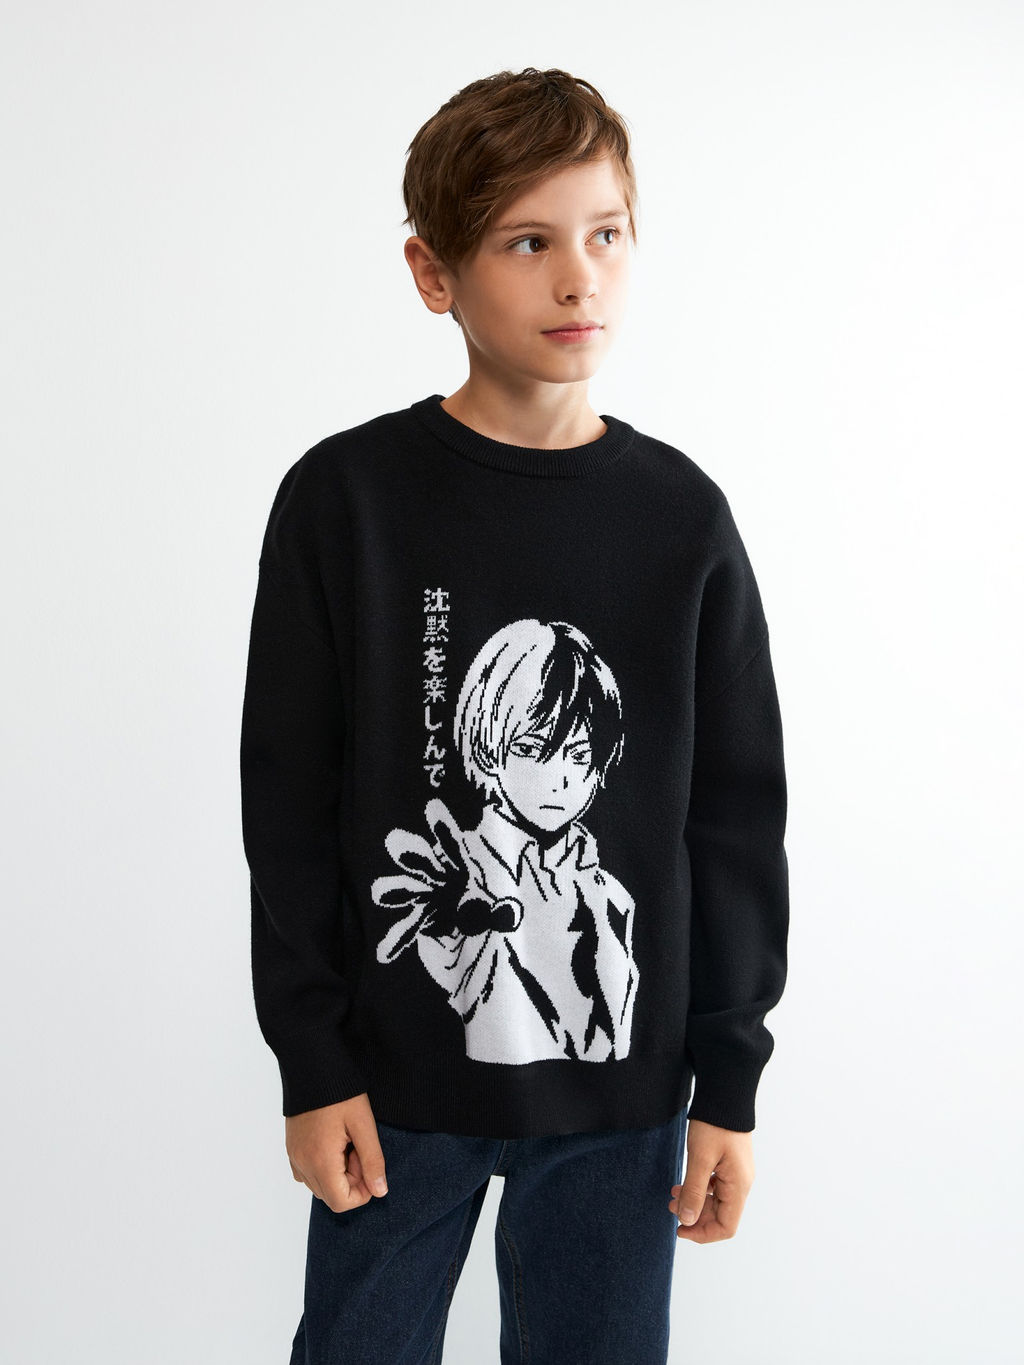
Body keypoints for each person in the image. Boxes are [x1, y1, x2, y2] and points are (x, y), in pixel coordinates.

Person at [239, 66, 790, 1365]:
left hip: (623, 1107)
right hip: (393, 1091)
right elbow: (289, 804)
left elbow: (734, 820)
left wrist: (730, 1080)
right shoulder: (346, 502)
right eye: (527, 243)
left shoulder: (682, 520)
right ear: (434, 273)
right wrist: (313, 1060)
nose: (577, 279)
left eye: (606, 235)